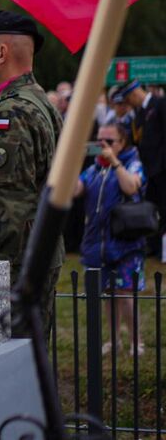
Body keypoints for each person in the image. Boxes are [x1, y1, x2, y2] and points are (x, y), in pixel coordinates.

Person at [0, 11, 62, 341]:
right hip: (36, 256)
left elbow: (5, 208)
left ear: (2, 53)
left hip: (14, 269)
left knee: (11, 366)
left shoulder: (13, 112)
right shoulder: (40, 101)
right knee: (29, 362)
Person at [75, 123, 147, 355]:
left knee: (125, 294)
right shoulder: (93, 169)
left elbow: (131, 187)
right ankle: (114, 340)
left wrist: (115, 163)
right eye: (99, 140)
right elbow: (76, 189)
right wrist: (73, 162)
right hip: (97, 242)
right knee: (106, 294)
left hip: (126, 243)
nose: (103, 145)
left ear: (122, 143)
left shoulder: (132, 163)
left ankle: (137, 342)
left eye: (109, 141)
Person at [120, 80, 166, 259]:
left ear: (134, 95)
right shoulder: (139, 113)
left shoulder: (160, 104)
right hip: (148, 169)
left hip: (161, 167)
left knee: (163, 206)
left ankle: (161, 246)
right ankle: (153, 245)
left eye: (128, 100)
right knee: (152, 207)